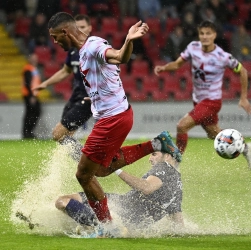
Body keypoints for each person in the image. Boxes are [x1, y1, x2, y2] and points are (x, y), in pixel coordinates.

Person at [47, 12, 182, 235]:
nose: (54, 42)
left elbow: (119, 57)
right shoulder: (85, 50)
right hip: (116, 115)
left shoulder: (92, 47)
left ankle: (108, 227)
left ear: (64, 32)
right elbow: (107, 74)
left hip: (112, 120)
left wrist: (128, 40)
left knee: (83, 175)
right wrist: (97, 96)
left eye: (55, 36)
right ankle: (157, 144)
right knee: (99, 170)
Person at [154, 20, 251, 170]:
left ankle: (174, 165)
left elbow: (243, 71)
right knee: (215, 134)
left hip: (212, 101)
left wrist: (243, 97)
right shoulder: (193, 47)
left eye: (208, 33)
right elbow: (177, 64)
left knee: (181, 126)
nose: (205, 36)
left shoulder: (222, 56)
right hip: (198, 101)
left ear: (214, 35)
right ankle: (247, 148)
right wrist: (164, 68)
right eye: (202, 33)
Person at [55, 149, 183, 237]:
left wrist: (115, 169)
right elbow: (178, 223)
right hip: (127, 217)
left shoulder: (165, 167)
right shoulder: (177, 185)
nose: (150, 159)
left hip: (122, 207)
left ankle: (105, 227)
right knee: (67, 203)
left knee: (62, 202)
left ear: (168, 156)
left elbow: (146, 187)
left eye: (154, 154)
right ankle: (99, 226)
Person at [32, 14, 93, 162]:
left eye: (83, 27)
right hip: (76, 95)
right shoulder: (73, 51)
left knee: (58, 133)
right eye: (77, 28)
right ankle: (83, 164)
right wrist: (45, 84)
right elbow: (65, 71)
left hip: (89, 98)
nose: (80, 30)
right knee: (66, 136)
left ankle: (88, 163)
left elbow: (111, 69)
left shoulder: (94, 48)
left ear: (90, 28)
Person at [21, 53, 42, 139]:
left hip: (33, 95)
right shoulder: (28, 69)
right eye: (33, 59)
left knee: (33, 113)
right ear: (29, 60)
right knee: (31, 113)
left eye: (36, 59)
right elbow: (28, 83)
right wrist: (31, 96)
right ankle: (27, 132)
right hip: (29, 95)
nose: (35, 60)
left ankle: (28, 132)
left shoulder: (33, 69)